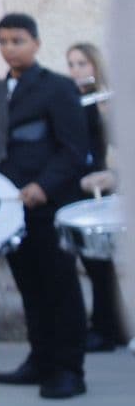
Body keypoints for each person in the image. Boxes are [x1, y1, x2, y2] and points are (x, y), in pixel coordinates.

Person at [0, 14, 89, 399]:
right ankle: (41, 358)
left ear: (35, 42)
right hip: (11, 208)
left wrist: (42, 186)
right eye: (3, 41)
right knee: (29, 285)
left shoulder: (58, 88)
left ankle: (68, 368)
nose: (9, 48)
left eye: (17, 40)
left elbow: (73, 149)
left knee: (59, 286)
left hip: (49, 205)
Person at [65, 41, 126, 351]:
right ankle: (104, 325)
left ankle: (109, 327)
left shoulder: (105, 102)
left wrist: (107, 116)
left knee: (100, 262)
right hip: (75, 183)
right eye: (72, 64)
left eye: (82, 64)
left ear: (95, 67)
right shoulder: (70, 100)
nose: (76, 70)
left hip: (99, 184)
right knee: (89, 262)